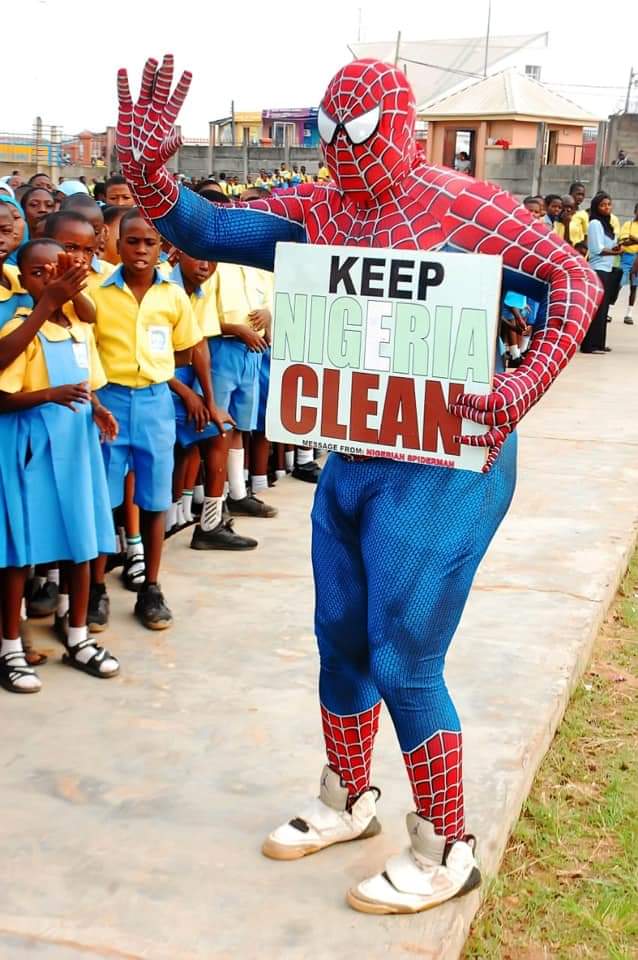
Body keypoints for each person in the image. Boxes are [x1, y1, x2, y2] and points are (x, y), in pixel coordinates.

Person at [117, 54, 601, 915]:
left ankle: (446, 843)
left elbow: (576, 279)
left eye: (360, 130)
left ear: (401, 127)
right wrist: (153, 178)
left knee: (404, 654)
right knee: (339, 633)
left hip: (449, 457)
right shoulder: (318, 206)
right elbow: (210, 230)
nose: (343, 149)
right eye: (329, 131)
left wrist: (522, 387)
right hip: (353, 447)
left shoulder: (465, 207)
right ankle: (348, 797)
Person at [0, 239, 120, 693]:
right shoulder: (19, 326)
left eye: (59, 270)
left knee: (81, 541)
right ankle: (10, 645)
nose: (50, 279)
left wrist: (98, 407)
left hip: (76, 444)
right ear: (22, 277)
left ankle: (78, 637)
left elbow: (84, 383)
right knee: (17, 550)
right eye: (38, 273)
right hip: (31, 446)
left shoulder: (76, 327)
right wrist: (49, 395)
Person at [89, 208, 201, 630]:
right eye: (131, 241)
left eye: (149, 243)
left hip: (155, 403)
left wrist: (157, 374)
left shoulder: (172, 297)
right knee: (104, 499)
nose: (139, 250)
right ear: (117, 245)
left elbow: (185, 349)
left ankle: (151, 587)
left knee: (155, 501)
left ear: (162, 249)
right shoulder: (98, 294)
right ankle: (96, 587)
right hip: (109, 403)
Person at [168, 251, 257, 550]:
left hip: (183, 379)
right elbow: (144, 356)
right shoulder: (163, 288)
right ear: (176, 253)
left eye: (212, 259)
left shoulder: (201, 289)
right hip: (155, 382)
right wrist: (189, 395)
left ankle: (210, 524)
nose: (205, 265)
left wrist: (209, 400)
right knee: (170, 454)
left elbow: (200, 344)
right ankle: (149, 536)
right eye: (197, 258)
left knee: (218, 428)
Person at [580, 192, 621, 353]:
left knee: (604, 309)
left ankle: (599, 343)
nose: (607, 207)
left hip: (608, 269)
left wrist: (618, 247)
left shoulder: (607, 225)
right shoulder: (595, 223)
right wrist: (614, 253)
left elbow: (609, 246)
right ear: (596, 207)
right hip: (598, 270)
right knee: (598, 309)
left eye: (609, 204)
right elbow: (597, 249)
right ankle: (589, 345)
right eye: (603, 205)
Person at [619, 202, 638, 325]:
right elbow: (623, 241)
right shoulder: (628, 224)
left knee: (634, 286)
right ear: (635, 211)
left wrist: (633, 238)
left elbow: (628, 240)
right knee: (619, 283)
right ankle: (609, 310)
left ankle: (629, 313)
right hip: (626, 257)